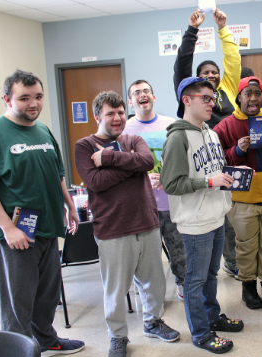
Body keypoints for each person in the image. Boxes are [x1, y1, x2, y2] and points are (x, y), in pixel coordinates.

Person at [74, 91, 179, 357]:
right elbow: (96, 182)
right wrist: (130, 165)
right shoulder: (84, 146)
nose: (117, 118)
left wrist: (108, 159)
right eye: (110, 113)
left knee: (154, 282)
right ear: (98, 116)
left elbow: (146, 161)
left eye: (121, 112)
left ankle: (153, 322)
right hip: (113, 228)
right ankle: (118, 336)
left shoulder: (134, 139)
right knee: (116, 289)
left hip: (146, 222)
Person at [0, 69, 84, 355]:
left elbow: (58, 172)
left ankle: (46, 340)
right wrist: (7, 229)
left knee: (47, 293)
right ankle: (16, 348)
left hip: (48, 222)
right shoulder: (0, 133)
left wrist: (70, 207)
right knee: (18, 300)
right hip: (18, 229)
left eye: (38, 96)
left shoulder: (43, 129)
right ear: (6, 99)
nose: (33, 103)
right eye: (24, 98)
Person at [160, 77, 243, 354]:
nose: (212, 103)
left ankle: (212, 316)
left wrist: (230, 178)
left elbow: (213, 168)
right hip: (195, 222)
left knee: (211, 274)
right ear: (187, 100)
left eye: (213, 98)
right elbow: (172, 184)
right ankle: (201, 333)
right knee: (194, 281)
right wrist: (208, 182)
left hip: (216, 215)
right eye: (205, 98)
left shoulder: (210, 133)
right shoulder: (177, 138)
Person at [213, 76, 262, 310]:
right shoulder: (225, 126)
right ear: (239, 98)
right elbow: (218, 161)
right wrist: (237, 150)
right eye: (248, 94)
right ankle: (248, 288)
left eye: (257, 93)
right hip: (241, 197)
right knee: (246, 245)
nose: (253, 98)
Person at [173, 8, 241, 280]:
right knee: (210, 217)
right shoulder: (192, 95)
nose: (211, 75)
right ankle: (204, 270)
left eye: (214, 72)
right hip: (201, 164)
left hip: (230, 157)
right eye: (205, 73)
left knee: (231, 216)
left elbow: (233, 61)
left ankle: (232, 261)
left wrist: (223, 29)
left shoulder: (227, 91)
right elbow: (181, 66)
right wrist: (192, 31)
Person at [122, 79, 186, 300]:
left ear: (154, 97)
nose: (143, 95)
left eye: (147, 91)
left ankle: (183, 284)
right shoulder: (123, 129)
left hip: (172, 202)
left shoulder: (171, 124)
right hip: (142, 205)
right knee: (148, 256)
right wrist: (140, 176)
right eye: (137, 92)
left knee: (179, 251)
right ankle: (151, 295)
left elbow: (183, 158)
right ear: (131, 102)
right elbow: (119, 166)